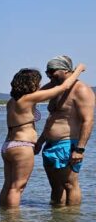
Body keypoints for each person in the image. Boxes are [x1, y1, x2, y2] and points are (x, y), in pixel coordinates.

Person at [0, 63, 86, 207]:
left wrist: (51, 81)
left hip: (8, 146)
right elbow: (62, 88)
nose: (39, 85)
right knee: (18, 187)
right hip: (22, 146)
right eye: (37, 82)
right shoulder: (28, 99)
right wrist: (78, 70)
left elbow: (45, 90)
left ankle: (4, 219)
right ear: (31, 84)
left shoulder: (12, 101)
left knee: (8, 186)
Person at [36, 56, 95, 205]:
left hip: (68, 144)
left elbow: (87, 120)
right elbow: (53, 118)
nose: (49, 75)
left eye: (53, 71)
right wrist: (40, 141)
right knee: (56, 187)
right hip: (49, 144)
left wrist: (80, 149)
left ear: (66, 70)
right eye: (47, 72)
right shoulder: (55, 88)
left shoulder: (81, 89)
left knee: (70, 185)